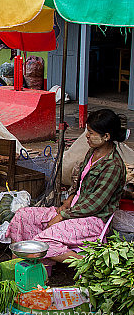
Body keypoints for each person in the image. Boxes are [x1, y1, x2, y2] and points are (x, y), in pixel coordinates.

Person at [7, 109, 127, 263]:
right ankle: (17, 265)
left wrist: (63, 215)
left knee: (43, 243)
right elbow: (79, 183)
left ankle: (89, 264)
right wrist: (69, 199)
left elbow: (95, 205)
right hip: (73, 211)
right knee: (22, 217)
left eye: (91, 132)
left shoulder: (113, 166)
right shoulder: (92, 152)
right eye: (87, 131)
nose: (87, 136)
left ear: (106, 136)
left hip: (92, 221)